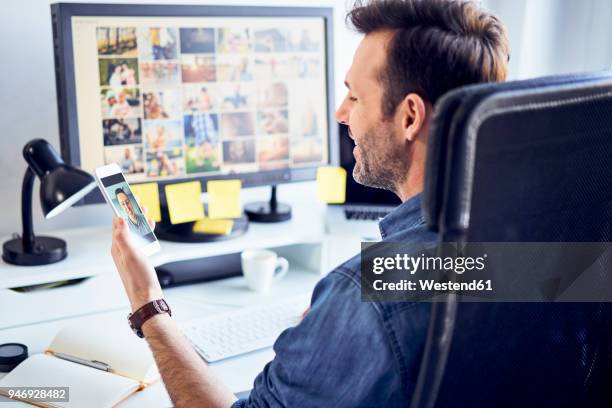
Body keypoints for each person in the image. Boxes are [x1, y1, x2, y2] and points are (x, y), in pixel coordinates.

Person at [109, 0, 509, 406]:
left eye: (354, 97)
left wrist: (149, 307)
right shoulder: (546, 254)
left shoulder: (362, 297)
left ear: (409, 117)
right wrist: (335, 329)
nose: (339, 113)